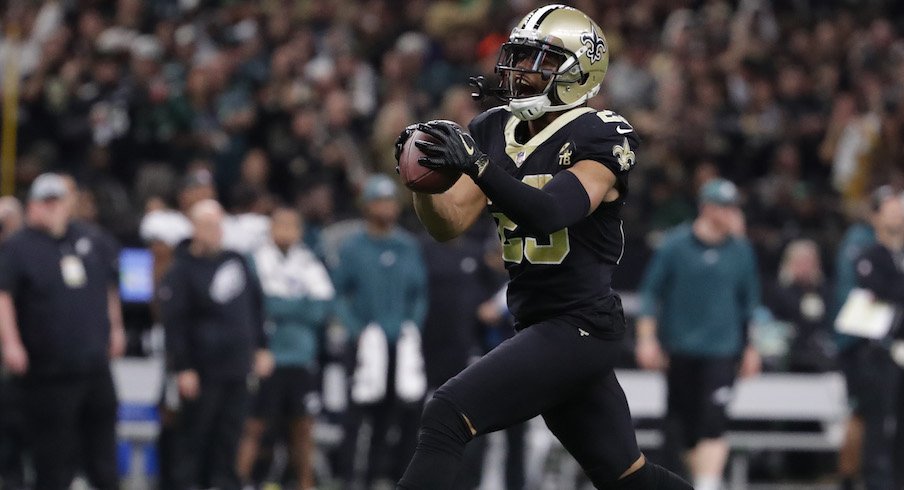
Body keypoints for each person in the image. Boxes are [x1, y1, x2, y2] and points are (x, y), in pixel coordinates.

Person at [394, 5, 690, 489]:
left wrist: (477, 164)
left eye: (541, 61)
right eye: (520, 58)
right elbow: (449, 223)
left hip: (580, 326)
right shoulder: (494, 127)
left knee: (446, 414)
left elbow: (550, 212)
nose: (522, 72)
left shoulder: (601, 132)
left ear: (579, 72)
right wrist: (423, 181)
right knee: (625, 477)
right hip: (538, 322)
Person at [0, 173, 124, 490]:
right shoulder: (18, 247)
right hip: (49, 368)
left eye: (58, 201)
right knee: (54, 454)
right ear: (33, 206)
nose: (53, 208)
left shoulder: (91, 239)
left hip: (95, 364)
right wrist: (11, 344)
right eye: (46, 202)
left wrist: (117, 327)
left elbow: (109, 287)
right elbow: (4, 296)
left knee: (103, 451)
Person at [635, 178, 761, 490]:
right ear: (705, 208)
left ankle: (708, 484)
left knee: (714, 422)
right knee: (683, 429)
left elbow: (750, 305)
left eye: (733, 207)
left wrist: (751, 347)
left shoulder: (742, 250)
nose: (729, 213)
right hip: (680, 349)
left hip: (723, 350)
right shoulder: (675, 245)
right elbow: (651, 295)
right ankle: (696, 481)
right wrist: (647, 338)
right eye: (723, 206)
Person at [158, 199, 274, 490]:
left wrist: (261, 347)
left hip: (237, 368)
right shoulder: (181, 270)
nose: (216, 231)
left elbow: (256, 308)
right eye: (209, 225)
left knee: (229, 436)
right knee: (194, 438)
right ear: (195, 229)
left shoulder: (236, 261)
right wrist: (183, 367)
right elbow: (175, 323)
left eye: (219, 224)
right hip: (201, 370)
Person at [332, 174, 429, 488]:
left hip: (398, 344)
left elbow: (420, 293)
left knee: (393, 417)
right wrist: (355, 329)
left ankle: (379, 478)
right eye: (380, 201)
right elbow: (338, 293)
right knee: (355, 417)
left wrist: (411, 326)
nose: (387, 208)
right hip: (363, 344)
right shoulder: (353, 248)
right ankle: (348, 479)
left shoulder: (407, 245)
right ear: (367, 206)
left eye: (390, 201)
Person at [236, 205, 335, 489]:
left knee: (303, 428)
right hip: (267, 356)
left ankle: (306, 484)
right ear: (270, 228)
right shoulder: (255, 261)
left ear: (300, 231)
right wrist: (297, 305)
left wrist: (280, 306)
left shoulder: (309, 262)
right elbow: (258, 306)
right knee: (254, 425)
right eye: (280, 225)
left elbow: (321, 310)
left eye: (292, 225)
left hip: (301, 356)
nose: (285, 231)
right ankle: (239, 481)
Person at [842, 187, 904, 490]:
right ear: (876, 215)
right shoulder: (863, 249)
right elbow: (875, 290)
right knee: (875, 421)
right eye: (891, 208)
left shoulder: (898, 255)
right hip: (875, 350)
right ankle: (875, 482)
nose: (899, 214)